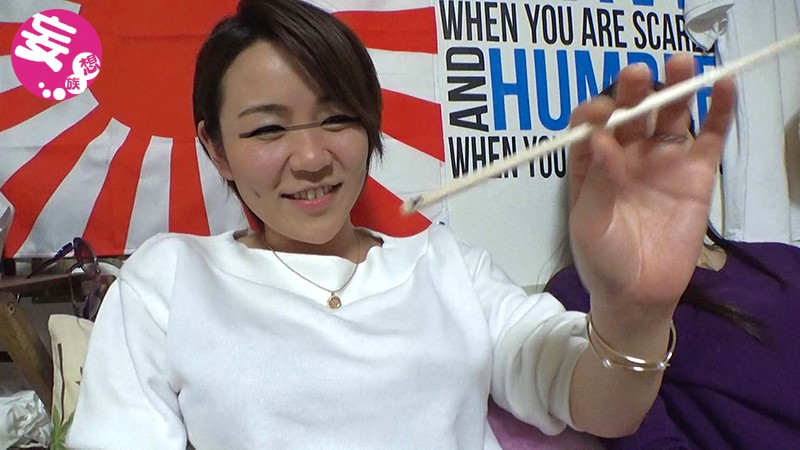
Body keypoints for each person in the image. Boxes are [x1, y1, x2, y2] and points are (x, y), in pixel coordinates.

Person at [66, 0, 737, 448]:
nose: (311, 157)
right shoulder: (169, 280)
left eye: (337, 118)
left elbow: (604, 407)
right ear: (216, 149)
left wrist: (634, 312)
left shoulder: (446, 266)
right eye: (268, 129)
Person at [542, 81, 800, 449]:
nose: (654, 160)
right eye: (628, 144)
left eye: (670, 137)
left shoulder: (783, 259)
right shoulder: (588, 290)